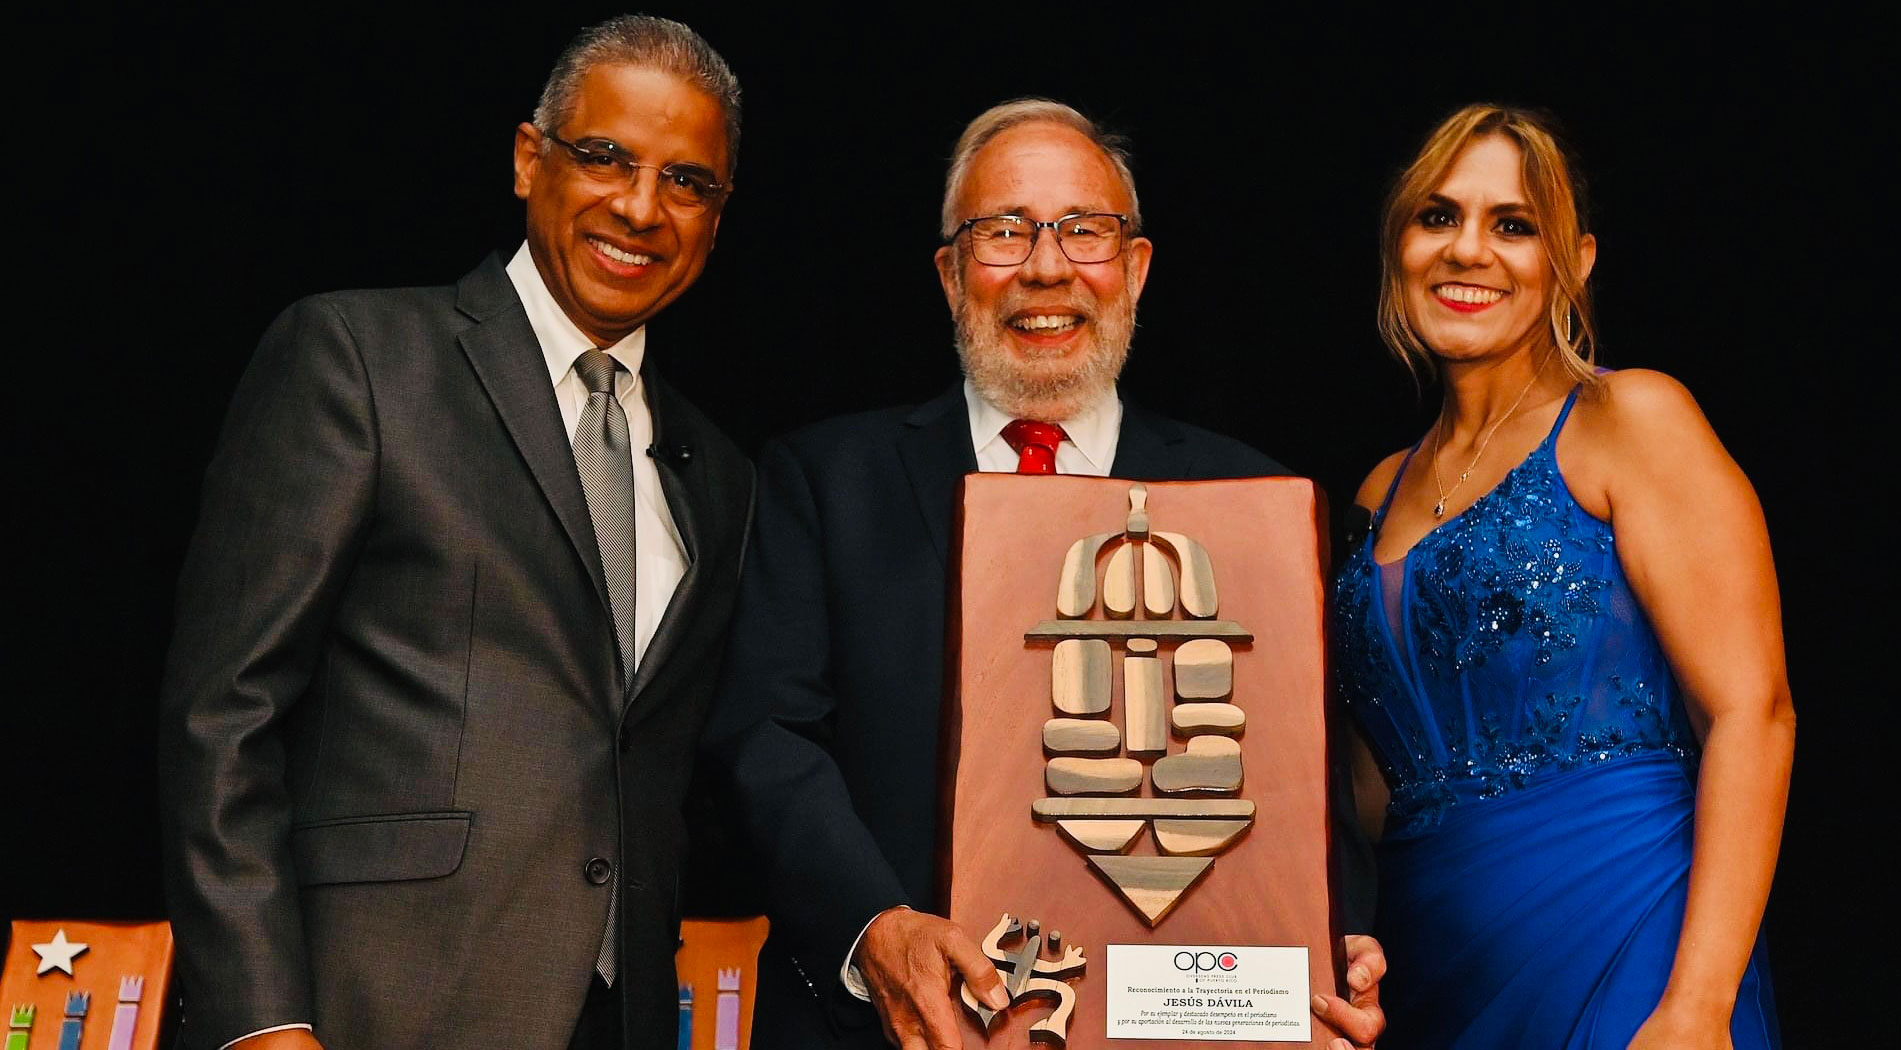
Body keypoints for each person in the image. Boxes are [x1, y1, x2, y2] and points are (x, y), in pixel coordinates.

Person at [702, 98, 1386, 1049]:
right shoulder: (825, 481)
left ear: (1135, 269)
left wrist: (1335, 943)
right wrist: (875, 930)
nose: (1047, 267)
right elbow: (765, 736)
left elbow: (1304, 788)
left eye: (1084, 230)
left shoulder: (1257, 502)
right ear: (950, 275)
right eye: (1004, 231)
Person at [157, 16, 754, 1050]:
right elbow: (222, 714)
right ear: (528, 160)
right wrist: (260, 1022)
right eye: (605, 157)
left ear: (716, 215)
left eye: (686, 182)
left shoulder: (720, 476)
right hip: (369, 1011)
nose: (640, 207)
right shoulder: (360, 359)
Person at [1333, 102, 1793, 1047]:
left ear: (1574, 261)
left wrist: (1698, 1006)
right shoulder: (1381, 489)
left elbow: (1754, 715)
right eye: (1437, 216)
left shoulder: (1632, 419)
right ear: (1399, 245)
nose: (1467, 249)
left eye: (1513, 225)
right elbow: (1362, 793)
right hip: (1430, 967)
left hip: (1628, 943)